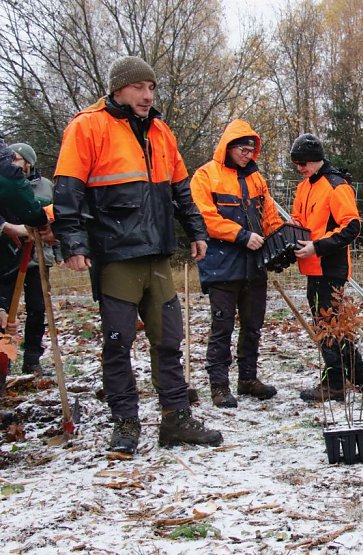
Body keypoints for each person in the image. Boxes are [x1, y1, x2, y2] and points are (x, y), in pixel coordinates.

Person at [52, 55, 222, 454]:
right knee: (118, 341)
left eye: (151, 88)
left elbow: (181, 190)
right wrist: (73, 243)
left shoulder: (161, 131)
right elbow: (67, 191)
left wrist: (196, 231)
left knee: (169, 340)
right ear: (118, 88)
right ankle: (125, 422)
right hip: (116, 256)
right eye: (139, 87)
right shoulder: (87, 127)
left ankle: (176, 419)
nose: (147, 95)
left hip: (157, 254)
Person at [190, 120, 281, 408]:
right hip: (221, 264)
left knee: (253, 325)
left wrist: (280, 240)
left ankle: (248, 379)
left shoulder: (256, 179)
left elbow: (268, 214)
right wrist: (241, 236)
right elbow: (204, 218)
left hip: (254, 264)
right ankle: (219, 385)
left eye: (251, 147)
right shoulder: (205, 176)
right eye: (242, 147)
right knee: (222, 327)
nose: (247, 152)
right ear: (227, 146)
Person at [287, 133, 363, 402]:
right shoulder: (305, 186)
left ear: (315, 159)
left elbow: (352, 226)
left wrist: (318, 247)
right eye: (296, 163)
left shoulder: (336, 186)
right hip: (312, 265)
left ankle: (333, 385)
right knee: (336, 324)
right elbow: (299, 220)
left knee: (326, 327)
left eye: (302, 163)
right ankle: (359, 376)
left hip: (329, 266)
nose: (299, 168)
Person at [0, 143, 63, 375]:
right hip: (9, 256)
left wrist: (57, 249)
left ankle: (32, 359)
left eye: (17, 159)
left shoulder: (45, 185)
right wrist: (14, 228)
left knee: (37, 309)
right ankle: (4, 365)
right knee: (4, 311)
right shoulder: (8, 181)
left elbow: (53, 217)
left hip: (38, 256)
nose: (14, 163)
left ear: (29, 163)